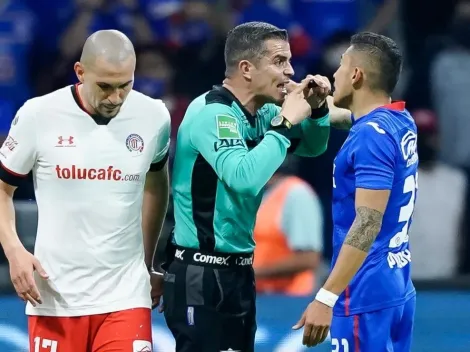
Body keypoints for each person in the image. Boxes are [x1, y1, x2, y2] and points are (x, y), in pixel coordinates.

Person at [164, 21, 334, 352]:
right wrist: (285, 123)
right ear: (246, 68)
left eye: (289, 61)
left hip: (239, 274)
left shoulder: (263, 110)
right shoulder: (213, 113)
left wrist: (317, 109)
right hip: (200, 271)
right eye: (279, 61)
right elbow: (243, 179)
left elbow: (313, 147)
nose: (290, 71)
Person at [0, 30, 171, 352]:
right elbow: (1, 189)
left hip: (126, 295)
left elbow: (156, 184)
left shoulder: (153, 116)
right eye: (105, 86)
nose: (115, 98)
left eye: (125, 85)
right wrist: (14, 251)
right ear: (80, 72)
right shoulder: (39, 115)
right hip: (54, 297)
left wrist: (146, 263)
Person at [293, 32, 417, 351]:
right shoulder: (398, 120)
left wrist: (326, 296)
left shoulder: (370, 138)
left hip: (364, 290)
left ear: (356, 75)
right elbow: (344, 116)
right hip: (396, 282)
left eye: (341, 66)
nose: (334, 74)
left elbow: (367, 222)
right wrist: (305, 100)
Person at [253, 156, 324, 297]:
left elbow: (308, 258)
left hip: (289, 300)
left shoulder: (297, 193)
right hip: (262, 297)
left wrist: (251, 274)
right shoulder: (262, 193)